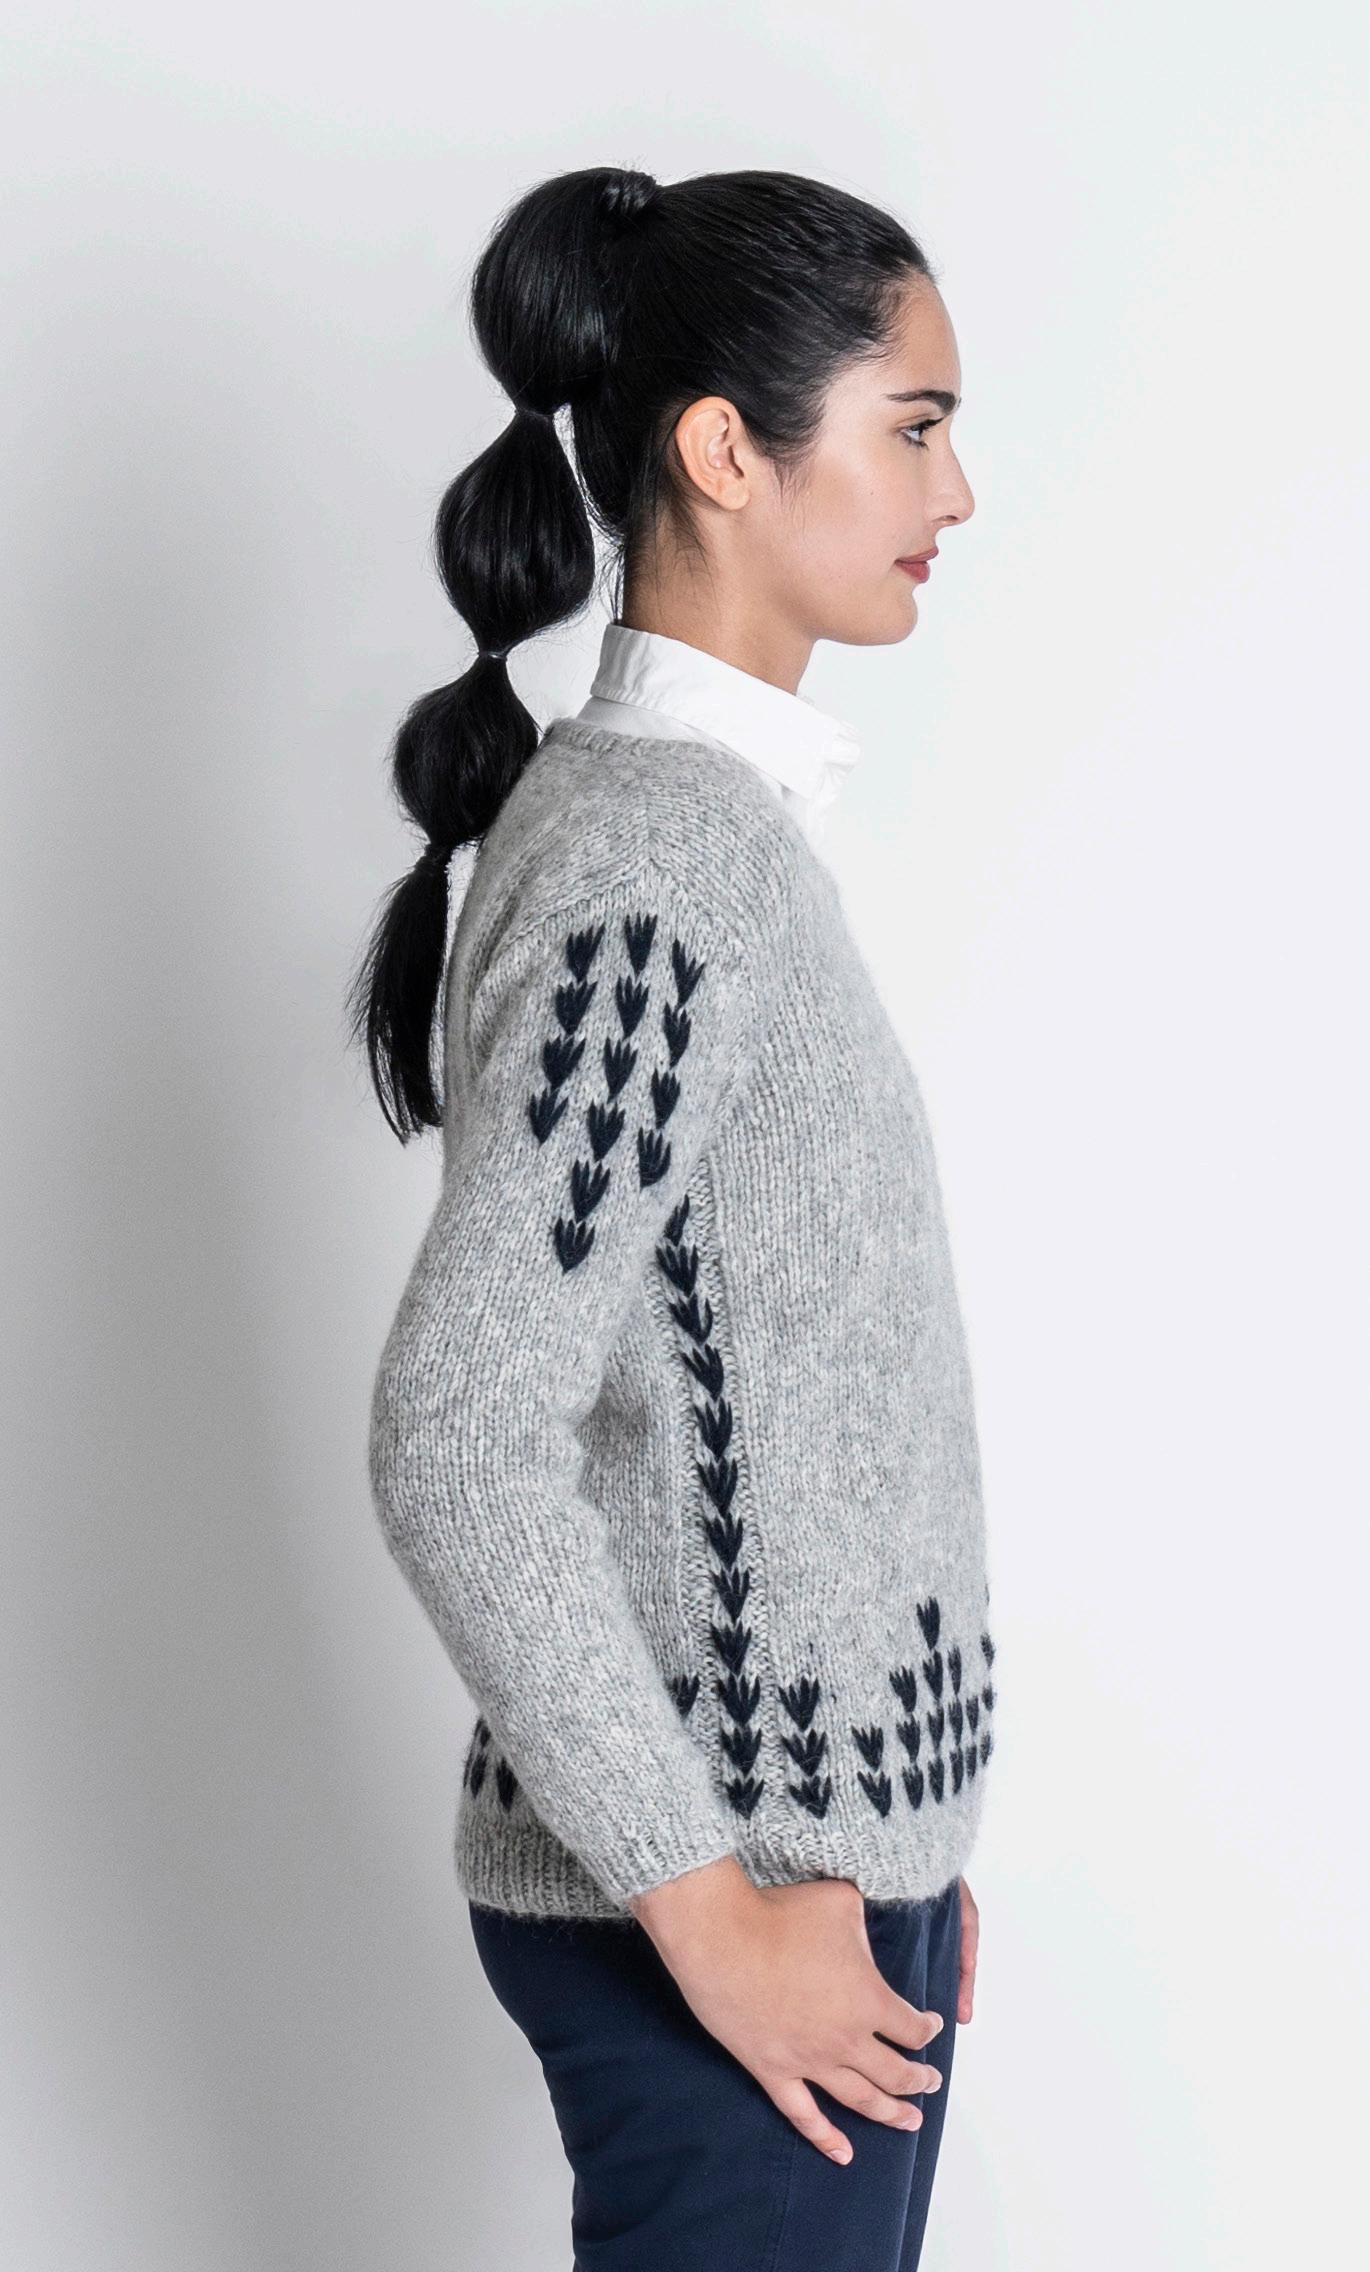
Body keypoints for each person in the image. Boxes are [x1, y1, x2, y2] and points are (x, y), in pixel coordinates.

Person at [349, 163, 995, 2272]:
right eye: (913, 424)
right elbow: (460, 1431)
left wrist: (895, 1850)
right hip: (724, 1898)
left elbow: (787, 1386)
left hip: (810, 1872)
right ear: (725, 450)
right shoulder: (657, 863)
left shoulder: (695, 836)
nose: (955, 491)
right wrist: (712, 1905)